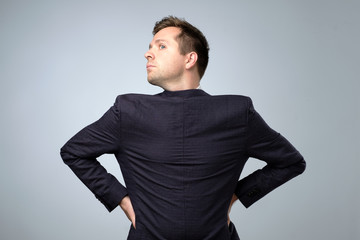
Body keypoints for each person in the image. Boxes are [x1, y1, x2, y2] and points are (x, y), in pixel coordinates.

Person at [60, 16, 306, 239]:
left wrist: (234, 197)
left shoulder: (237, 113)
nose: (148, 54)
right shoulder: (129, 111)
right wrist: (122, 200)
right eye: (150, 47)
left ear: (190, 58)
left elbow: (291, 161)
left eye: (161, 46)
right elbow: (74, 151)